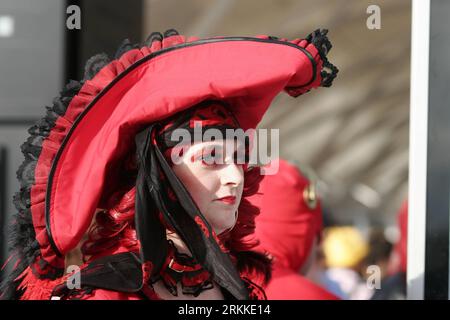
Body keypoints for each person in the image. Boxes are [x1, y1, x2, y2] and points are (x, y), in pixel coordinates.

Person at [0, 29, 337, 300]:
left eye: (239, 159)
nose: (235, 176)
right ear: (161, 174)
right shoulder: (100, 293)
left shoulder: (237, 288)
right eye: (211, 159)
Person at [248, 158, 338, 300]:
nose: (318, 248)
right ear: (305, 232)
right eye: (318, 236)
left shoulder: (206, 281)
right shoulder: (314, 296)